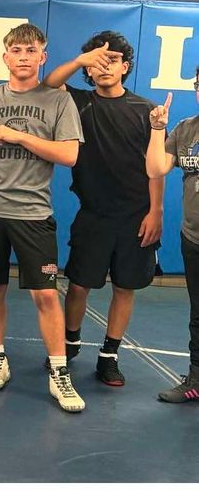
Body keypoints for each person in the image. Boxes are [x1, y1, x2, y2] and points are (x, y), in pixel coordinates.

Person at [0, 23, 85, 413]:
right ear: (4, 57)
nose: (23, 56)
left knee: (45, 294)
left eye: (30, 50)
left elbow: (69, 155)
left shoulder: (58, 101)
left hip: (33, 212)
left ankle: (58, 370)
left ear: (42, 57)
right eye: (16, 50)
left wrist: (19, 137)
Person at [42, 31, 163, 387]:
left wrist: (155, 212)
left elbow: (155, 167)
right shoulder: (77, 102)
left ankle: (109, 356)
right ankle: (70, 343)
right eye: (99, 62)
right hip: (93, 213)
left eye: (113, 61)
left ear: (126, 67)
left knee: (125, 288)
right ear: (90, 70)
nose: (105, 67)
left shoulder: (146, 110)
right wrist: (81, 58)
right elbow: (50, 84)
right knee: (79, 285)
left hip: (135, 216)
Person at [146, 70, 199, 402]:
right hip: (193, 238)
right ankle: (196, 378)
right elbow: (154, 169)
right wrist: (157, 128)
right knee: (198, 315)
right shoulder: (186, 130)